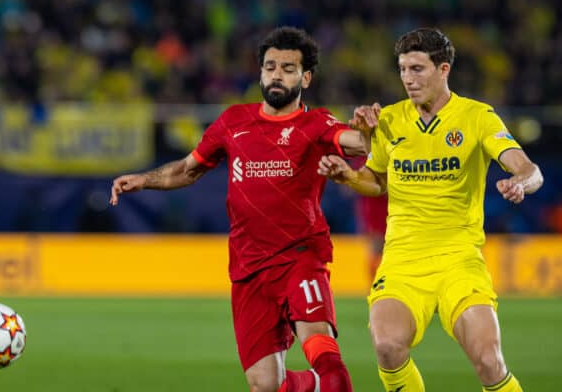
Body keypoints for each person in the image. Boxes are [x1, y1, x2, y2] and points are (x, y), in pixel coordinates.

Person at [110, 26, 373, 392]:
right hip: (249, 268)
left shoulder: (316, 123)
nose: (276, 74)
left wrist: (367, 132)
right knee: (264, 384)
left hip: (300, 255)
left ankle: (331, 384)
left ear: (306, 77)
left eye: (287, 68)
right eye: (270, 67)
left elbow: (356, 143)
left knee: (327, 362)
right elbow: (189, 169)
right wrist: (144, 179)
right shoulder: (234, 122)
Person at [318, 28, 543, 392]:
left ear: (443, 70)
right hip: (404, 260)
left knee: (488, 360)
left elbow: (529, 169)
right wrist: (346, 176)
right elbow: (377, 181)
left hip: (459, 259)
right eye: (403, 69)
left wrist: (521, 182)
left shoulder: (477, 117)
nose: (408, 78)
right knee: (388, 346)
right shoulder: (390, 119)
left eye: (417, 69)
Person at [351, 156, 388, 284]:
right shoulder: (364, 155)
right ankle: (374, 285)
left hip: (393, 210)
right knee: (376, 247)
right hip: (374, 211)